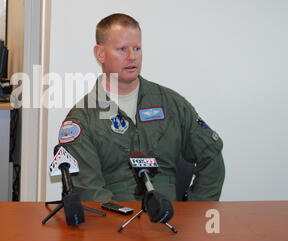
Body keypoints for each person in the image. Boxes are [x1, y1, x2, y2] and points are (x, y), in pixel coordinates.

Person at [58, 13, 225, 202]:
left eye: (137, 48)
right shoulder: (82, 119)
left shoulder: (171, 104)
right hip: (114, 223)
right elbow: (88, 190)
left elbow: (211, 155)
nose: (132, 57)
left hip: (170, 222)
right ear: (100, 54)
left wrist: (193, 211)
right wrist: (119, 225)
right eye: (122, 49)